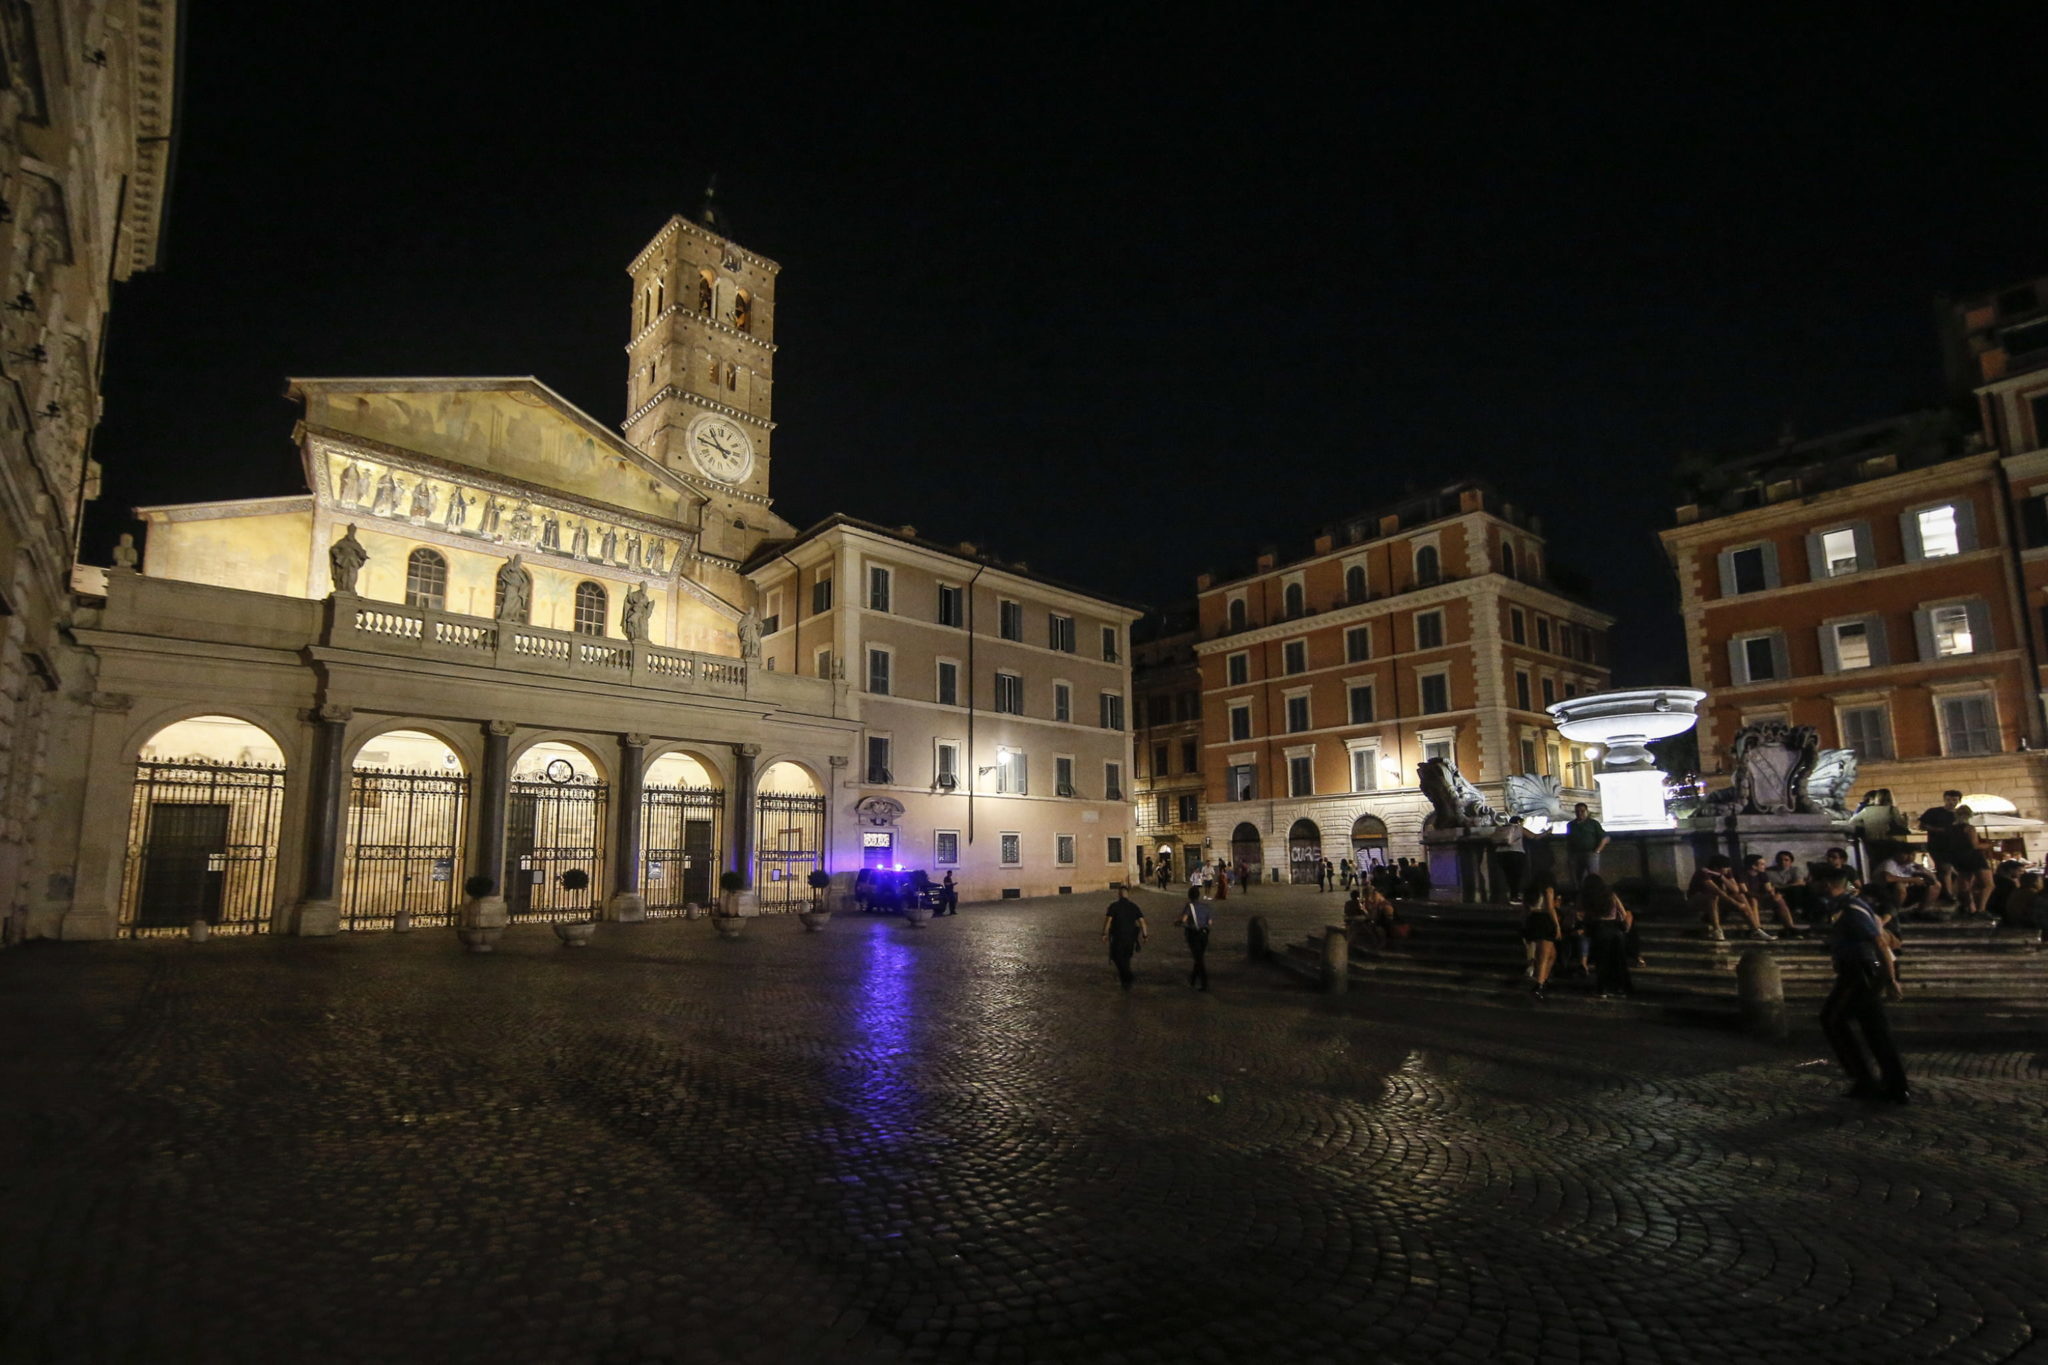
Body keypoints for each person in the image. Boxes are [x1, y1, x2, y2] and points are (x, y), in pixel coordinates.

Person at [1812, 863, 1910, 1103]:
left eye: (1812, 879)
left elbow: (1879, 942)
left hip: (1861, 973)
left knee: (1834, 1019)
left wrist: (1891, 979)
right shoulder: (1841, 906)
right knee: (1872, 1028)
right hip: (1858, 970)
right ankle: (1887, 1083)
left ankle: (1869, 1078)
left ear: (1825, 884)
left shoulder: (1851, 908)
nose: (1808, 883)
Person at [1688, 855, 1772, 941]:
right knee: (1713, 897)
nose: (1728, 870)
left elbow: (1735, 889)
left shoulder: (1727, 872)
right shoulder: (1703, 873)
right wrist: (1736, 904)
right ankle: (1717, 930)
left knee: (1740, 896)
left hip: (1719, 899)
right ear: (1716, 867)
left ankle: (1756, 929)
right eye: (1725, 868)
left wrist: (1721, 876)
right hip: (1698, 899)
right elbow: (1718, 891)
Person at [1583, 875, 1633, 998]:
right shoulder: (1611, 895)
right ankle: (1620, 988)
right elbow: (1623, 912)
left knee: (1602, 961)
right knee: (1618, 960)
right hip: (1614, 929)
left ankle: (1602, 989)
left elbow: (1585, 914)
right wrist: (1625, 927)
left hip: (1600, 928)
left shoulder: (1590, 897)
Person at [1917, 789, 1965, 903]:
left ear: (1959, 801)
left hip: (1955, 846)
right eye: (1949, 799)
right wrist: (1937, 830)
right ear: (1944, 799)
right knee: (1945, 869)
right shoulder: (1934, 812)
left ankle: (1952, 893)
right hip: (1938, 846)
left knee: (1956, 870)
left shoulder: (1959, 815)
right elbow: (1921, 825)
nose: (1951, 802)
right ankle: (1948, 894)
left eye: (1954, 800)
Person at [1521, 871, 1563, 997]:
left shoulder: (1529, 891)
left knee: (1551, 954)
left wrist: (1524, 925)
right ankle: (1539, 985)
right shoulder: (1548, 889)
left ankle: (1542, 981)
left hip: (1533, 920)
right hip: (1544, 920)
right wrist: (1557, 926)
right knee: (1544, 956)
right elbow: (1550, 908)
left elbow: (1524, 910)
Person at [1740, 853, 1802, 935]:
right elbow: (1745, 892)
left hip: (1761, 899)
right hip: (1748, 901)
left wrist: (1773, 894)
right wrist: (1763, 896)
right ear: (1754, 866)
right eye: (1762, 864)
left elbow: (1768, 888)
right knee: (1753, 900)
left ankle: (1790, 927)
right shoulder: (1742, 875)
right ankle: (1757, 928)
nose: (1765, 866)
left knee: (1779, 899)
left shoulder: (1763, 874)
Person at [1102, 886, 1148, 989]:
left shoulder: (1113, 906)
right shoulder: (1134, 906)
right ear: (1128, 894)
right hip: (1130, 938)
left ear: (1119, 894)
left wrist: (1104, 934)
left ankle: (1127, 977)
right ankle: (1126, 980)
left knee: (1116, 957)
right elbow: (1142, 922)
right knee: (1126, 958)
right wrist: (1145, 935)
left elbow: (1108, 921)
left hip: (1118, 937)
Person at [1875, 842, 1939, 914]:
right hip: (1890, 892)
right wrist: (1913, 880)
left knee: (1936, 885)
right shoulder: (1890, 863)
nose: (1910, 857)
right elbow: (1887, 878)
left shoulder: (1911, 865)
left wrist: (1924, 870)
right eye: (1907, 854)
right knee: (1900, 886)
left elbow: (1933, 879)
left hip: (1909, 892)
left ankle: (1921, 912)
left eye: (1913, 855)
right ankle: (1893, 913)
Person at [1177, 887, 1213, 990]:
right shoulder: (1206, 906)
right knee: (1199, 957)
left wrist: (1178, 922)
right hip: (1205, 934)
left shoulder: (1189, 906)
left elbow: (1183, 919)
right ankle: (1192, 980)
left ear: (1189, 896)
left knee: (1199, 959)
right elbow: (1210, 922)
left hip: (1194, 935)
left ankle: (1204, 983)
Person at [1564, 803, 1608, 887]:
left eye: (1582, 811)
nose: (1579, 813)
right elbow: (1569, 840)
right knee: (1578, 877)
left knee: (1593, 877)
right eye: (1577, 811)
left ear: (1587, 812)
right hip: (1576, 855)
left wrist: (1597, 851)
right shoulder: (1570, 825)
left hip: (1591, 853)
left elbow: (1604, 838)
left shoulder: (1593, 823)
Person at [1762, 850, 1810, 923]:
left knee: (1798, 889)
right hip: (1775, 891)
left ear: (1791, 861)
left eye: (1786, 860)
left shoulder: (1795, 870)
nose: (1783, 862)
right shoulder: (1768, 871)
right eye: (1780, 860)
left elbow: (1799, 883)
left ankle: (1797, 911)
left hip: (1790, 891)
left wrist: (1782, 888)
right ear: (1777, 860)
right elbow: (1768, 885)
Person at [1497, 817, 1529, 904]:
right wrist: (1547, 832)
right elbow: (1534, 836)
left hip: (1501, 854)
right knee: (1516, 877)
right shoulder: (1519, 828)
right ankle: (1514, 897)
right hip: (1516, 854)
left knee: (1507, 876)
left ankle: (1506, 896)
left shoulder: (1502, 827)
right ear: (1518, 821)